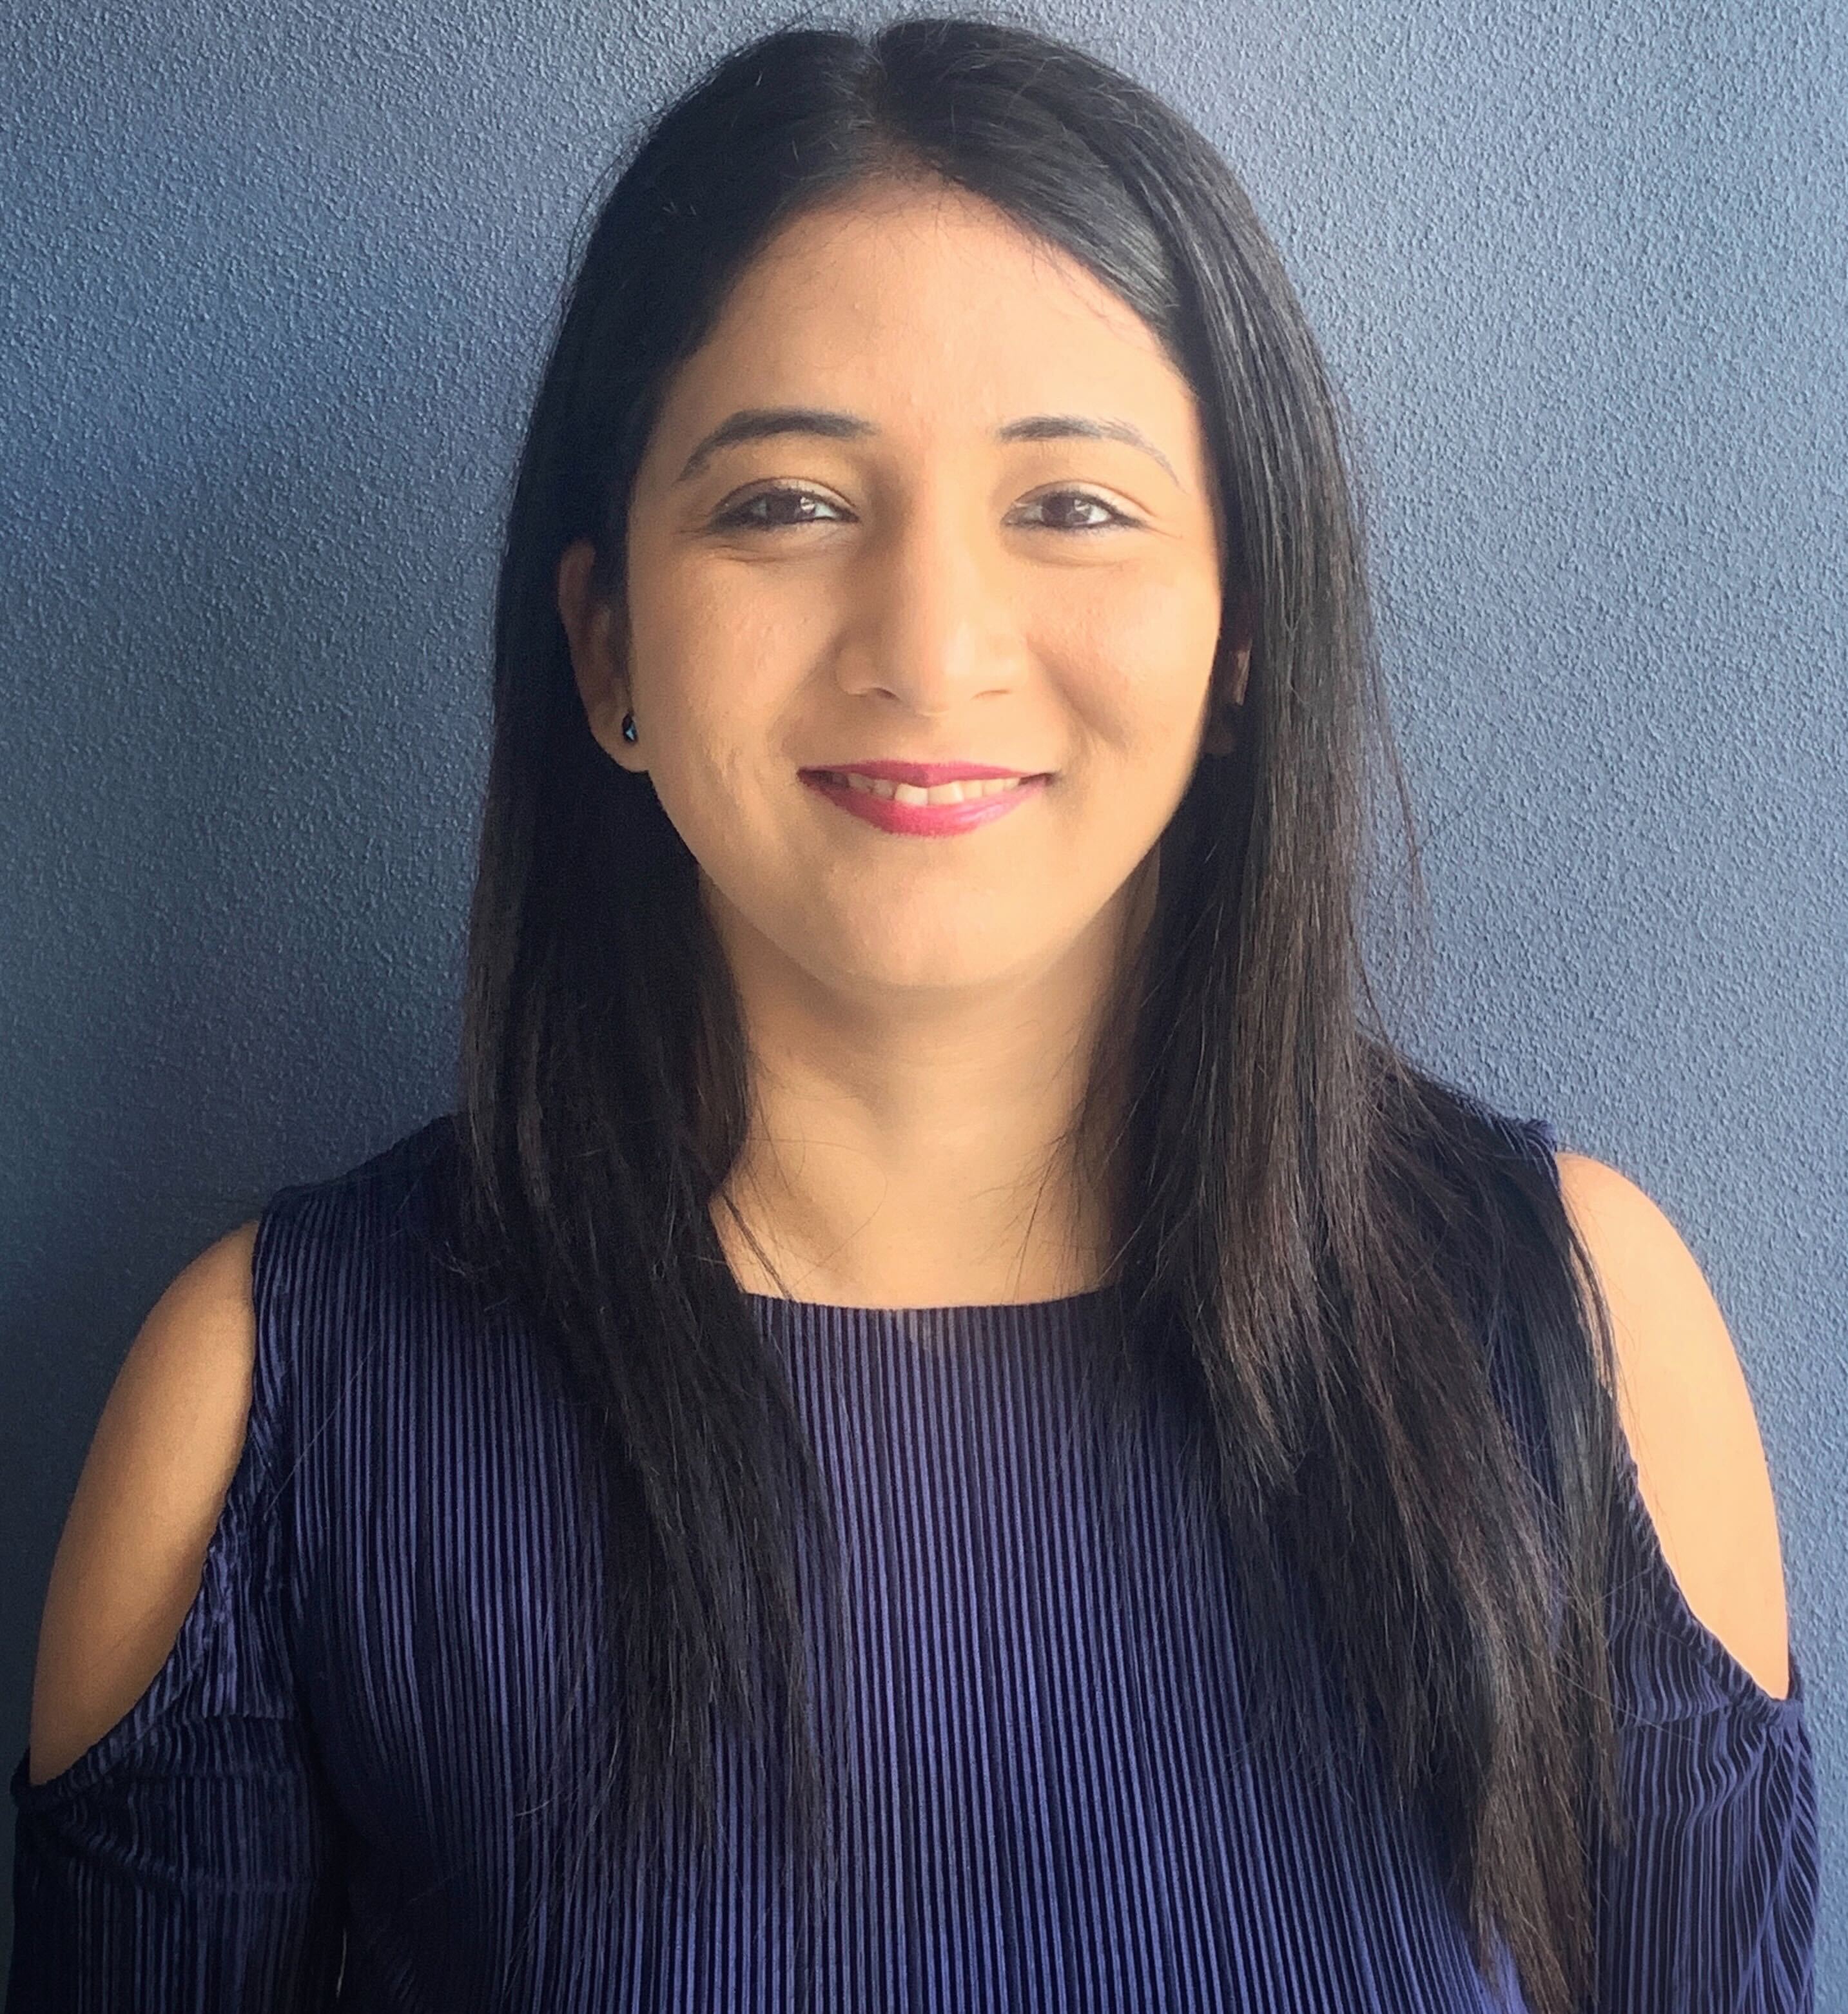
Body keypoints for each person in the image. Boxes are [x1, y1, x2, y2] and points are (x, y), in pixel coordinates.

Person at [7, 17, 1818, 2012]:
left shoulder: (1573, 1341)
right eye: (786, 502)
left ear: (1242, 633)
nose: (929, 647)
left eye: (1072, 508)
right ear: (606, 639)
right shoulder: (276, 1405)